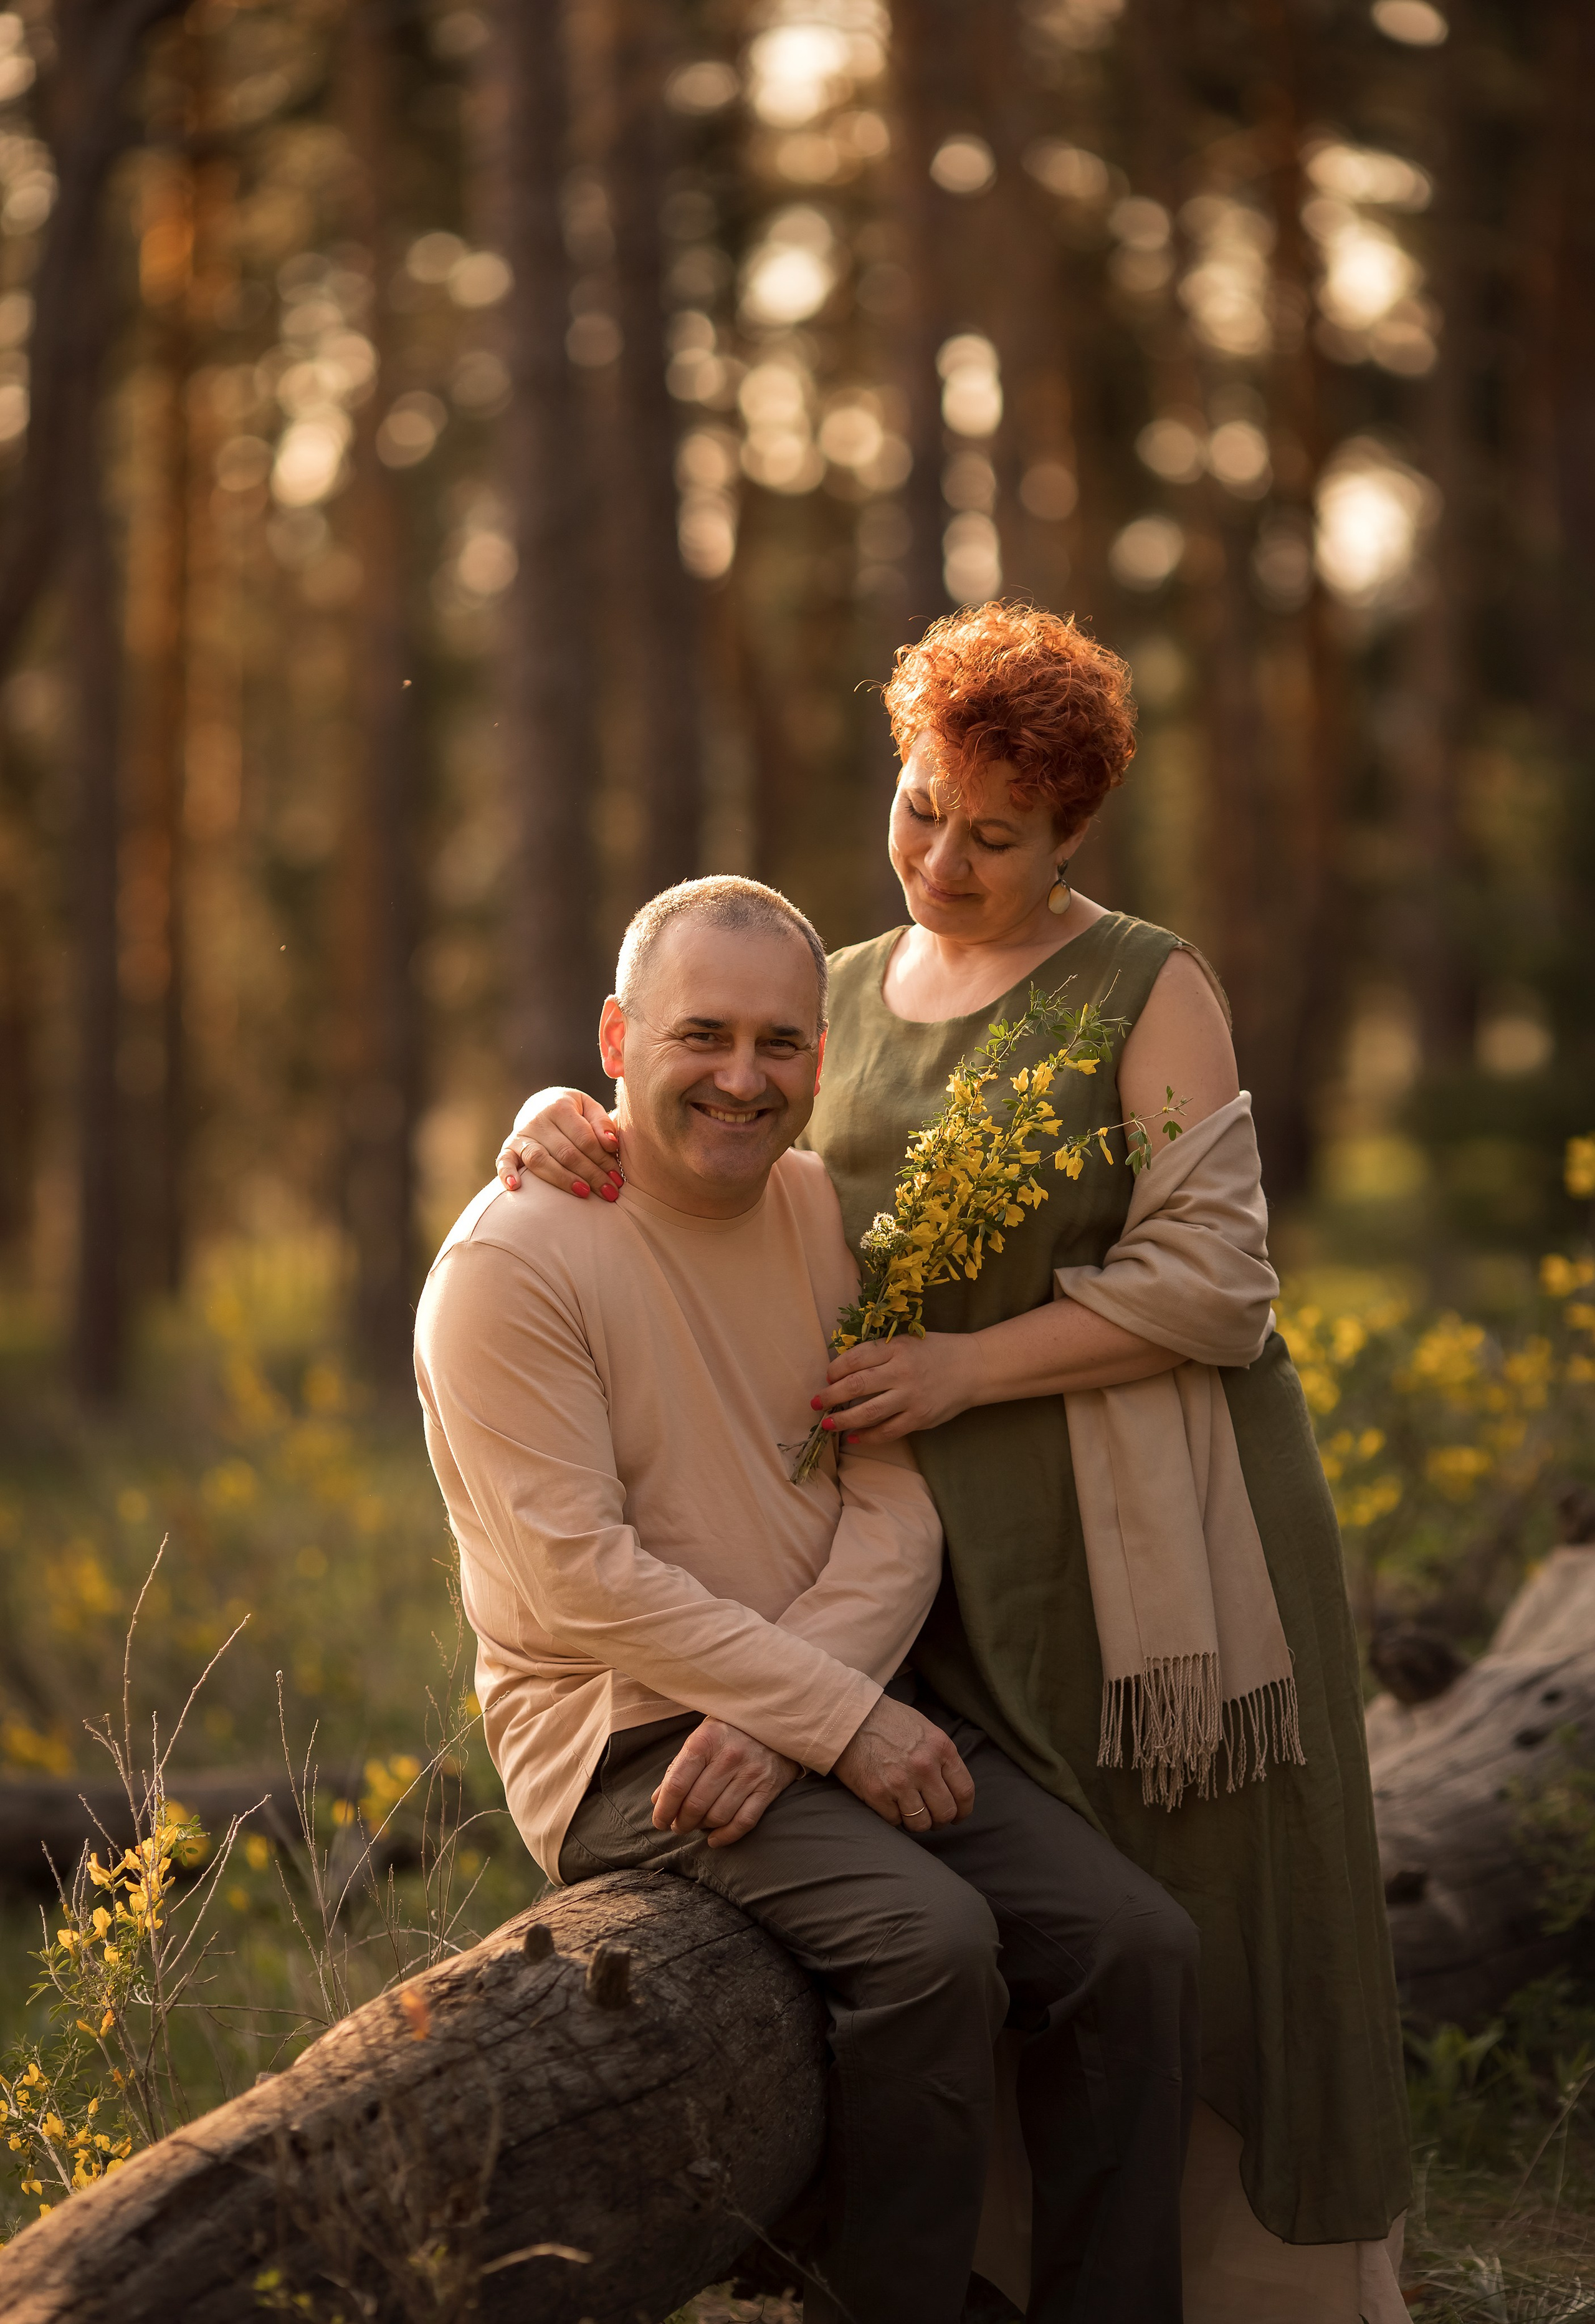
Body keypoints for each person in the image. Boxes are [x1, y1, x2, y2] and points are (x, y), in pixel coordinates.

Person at [497, 604, 1412, 2324]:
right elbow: (713, 1125)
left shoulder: (1150, 981)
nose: (946, 859)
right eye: (922, 808)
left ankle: (1238, 2290)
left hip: (1147, 1514)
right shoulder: (830, 994)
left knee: (1185, 1898)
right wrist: (560, 1110)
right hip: (913, 1554)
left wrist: (964, 1367)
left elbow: (1221, 1283)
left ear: (1073, 834)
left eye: (999, 836)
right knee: (982, 1908)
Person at [417, 876, 1202, 2324]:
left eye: (780, 1042)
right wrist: (834, 1715)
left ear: (821, 1057)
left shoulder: (806, 1204)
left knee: (1131, 1940)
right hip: (626, 1738)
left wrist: (809, 1718)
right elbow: (576, 1579)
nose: (741, 1076)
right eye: (699, 1034)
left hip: (810, 1713)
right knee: (932, 1945)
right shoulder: (509, 1262)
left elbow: (893, 1497)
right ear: (615, 1034)